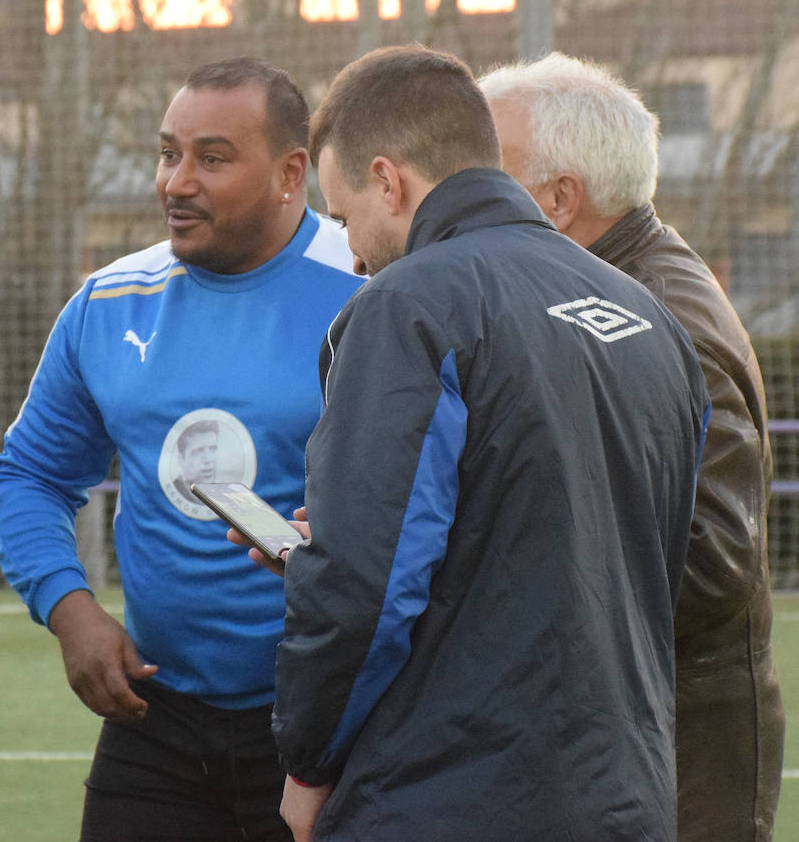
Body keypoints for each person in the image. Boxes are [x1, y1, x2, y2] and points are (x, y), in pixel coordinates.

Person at [272, 45, 709, 841]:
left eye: (341, 219)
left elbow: (363, 586)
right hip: (628, 796)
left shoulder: (410, 307)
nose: (354, 253)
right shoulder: (648, 316)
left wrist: (308, 762)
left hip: (450, 797)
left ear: (387, 180)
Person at [0, 57, 364, 841]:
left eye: (212, 158)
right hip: (154, 718)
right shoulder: (109, 300)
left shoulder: (371, 294)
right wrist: (70, 606)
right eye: (168, 153)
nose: (176, 182)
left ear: (292, 171)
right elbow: (29, 474)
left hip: (331, 725)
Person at [478, 52, 784, 842]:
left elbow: (712, 563)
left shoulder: (660, 318)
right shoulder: (582, 291)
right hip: (620, 740)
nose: (462, 192)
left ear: (559, 199)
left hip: (680, 752)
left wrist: (490, 574)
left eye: (484, 170)